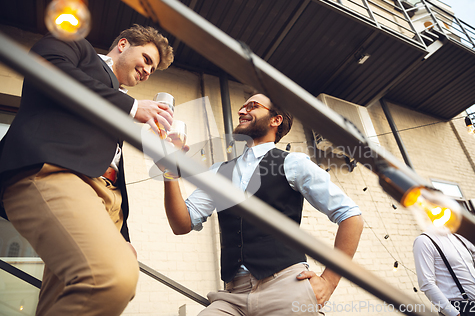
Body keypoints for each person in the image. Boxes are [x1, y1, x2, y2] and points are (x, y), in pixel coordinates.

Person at [0, 24, 174, 316]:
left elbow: (111, 166)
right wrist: (131, 107)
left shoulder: (117, 101)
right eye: (146, 59)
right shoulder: (77, 47)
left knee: (63, 299)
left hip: (106, 200)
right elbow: (48, 68)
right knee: (110, 278)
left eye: (153, 69)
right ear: (122, 45)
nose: (147, 71)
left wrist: (124, 237)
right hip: (56, 174)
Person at [162, 93, 364, 315]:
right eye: (242, 106)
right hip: (232, 296)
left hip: (285, 287)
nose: (241, 110)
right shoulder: (219, 171)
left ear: (275, 120)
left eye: (252, 106)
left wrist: (329, 281)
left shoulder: (293, 163)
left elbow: (351, 217)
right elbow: (181, 224)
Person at [413, 231, 475, 316]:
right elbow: (426, 283)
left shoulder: (459, 238)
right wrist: (453, 313)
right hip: (459, 309)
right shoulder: (424, 241)